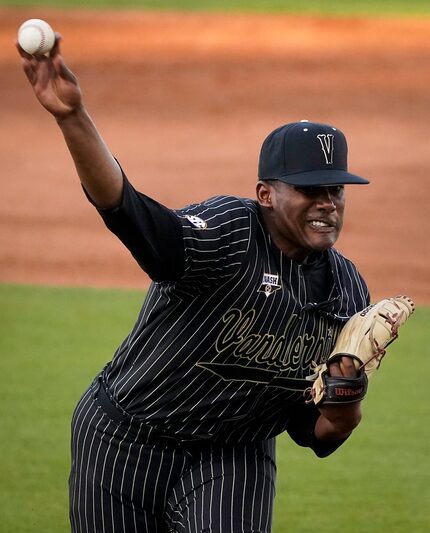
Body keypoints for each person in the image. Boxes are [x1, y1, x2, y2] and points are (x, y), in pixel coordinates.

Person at [18, 37, 371, 533]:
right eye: (311, 189)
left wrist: (347, 399)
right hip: (125, 438)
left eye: (336, 189)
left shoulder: (347, 295)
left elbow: (317, 431)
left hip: (234, 457)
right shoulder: (228, 231)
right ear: (266, 194)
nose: (328, 202)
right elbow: (130, 213)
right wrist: (72, 117)